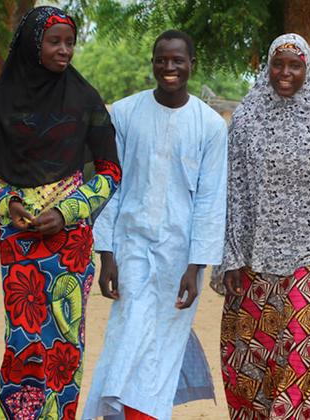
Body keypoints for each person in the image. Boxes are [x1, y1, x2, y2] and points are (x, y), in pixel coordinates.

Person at [0, 6, 121, 419]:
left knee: (65, 345)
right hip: (19, 244)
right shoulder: (4, 101)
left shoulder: (85, 100)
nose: (65, 49)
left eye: (70, 42)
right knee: (23, 342)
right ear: (33, 45)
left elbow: (110, 172)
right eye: (55, 41)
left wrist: (67, 212)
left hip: (70, 245)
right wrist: (8, 203)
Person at [81, 30, 227, 420]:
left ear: (191, 64)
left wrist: (196, 267)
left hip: (180, 257)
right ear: (152, 63)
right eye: (162, 60)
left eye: (178, 60)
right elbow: (110, 185)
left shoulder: (210, 126)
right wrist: (106, 255)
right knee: (127, 333)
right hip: (129, 247)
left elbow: (211, 200)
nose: (169, 67)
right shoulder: (125, 113)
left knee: (162, 345)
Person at [220, 33, 310, 419]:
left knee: (300, 348)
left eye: (295, 65)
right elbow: (233, 189)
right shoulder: (246, 119)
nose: (285, 72)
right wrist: (231, 255)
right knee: (256, 353)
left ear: (308, 69)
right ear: (267, 67)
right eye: (278, 63)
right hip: (255, 254)